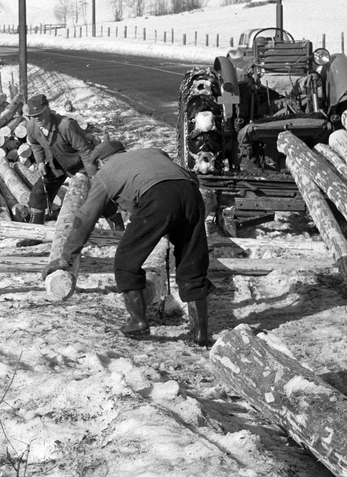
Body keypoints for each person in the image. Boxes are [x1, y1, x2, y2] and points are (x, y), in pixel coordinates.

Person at [44, 140, 214, 346]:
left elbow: (85, 217)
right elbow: (181, 179)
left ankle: (138, 322)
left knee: (127, 260)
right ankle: (201, 334)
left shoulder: (105, 174)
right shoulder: (153, 152)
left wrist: (67, 256)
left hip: (157, 197)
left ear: (101, 162)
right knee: (192, 264)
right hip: (191, 195)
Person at [23, 93, 99, 225]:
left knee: (96, 193)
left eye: (40, 114)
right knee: (38, 193)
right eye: (34, 116)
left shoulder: (65, 125)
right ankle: (35, 232)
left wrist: (93, 175)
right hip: (55, 164)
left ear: (48, 109)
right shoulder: (31, 126)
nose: (37, 119)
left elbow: (85, 150)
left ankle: (117, 225)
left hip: (78, 163)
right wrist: (40, 162)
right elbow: (35, 144)